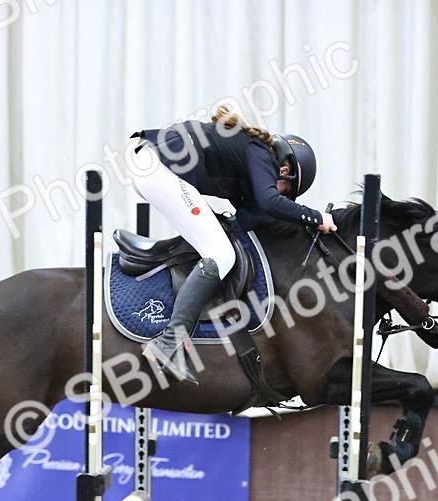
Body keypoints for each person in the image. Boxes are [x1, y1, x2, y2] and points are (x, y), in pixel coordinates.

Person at [130, 105, 337, 382]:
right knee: (220, 254)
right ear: (284, 170)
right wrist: (315, 218)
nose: (286, 199)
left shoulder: (250, 165)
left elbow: (253, 218)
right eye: (289, 192)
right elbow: (270, 202)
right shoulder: (262, 155)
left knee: (217, 246)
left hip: (155, 165)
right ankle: (170, 340)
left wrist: (301, 228)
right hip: (158, 167)